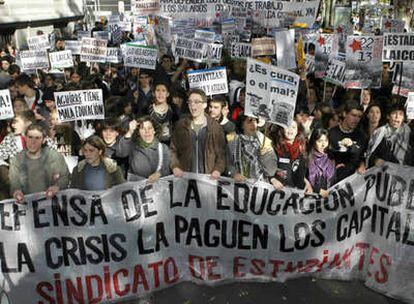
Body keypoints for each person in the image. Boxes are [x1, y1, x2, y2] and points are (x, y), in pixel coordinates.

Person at [170, 88, 226, 179]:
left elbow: (221, 154)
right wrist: (175, 167)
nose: (192, 105)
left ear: (204, 104)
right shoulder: (180, 125)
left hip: (208, 179)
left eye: (196, 102)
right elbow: (173, 150)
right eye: (190, 102)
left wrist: (217, 170)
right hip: (183, 178)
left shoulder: (215, 128)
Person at [9, 123, 70, 202]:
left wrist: (57, 187)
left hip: (52, 203)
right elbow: (14, 183)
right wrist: (16, 192)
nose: (33, 142)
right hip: (28, 206)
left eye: (37, 138)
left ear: (43, 140)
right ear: (25, 138)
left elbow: (65, 177)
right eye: (30, 137)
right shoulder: (16, 160)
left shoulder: (54, 156)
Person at [117, 116, 171, 182]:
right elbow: (121, 153)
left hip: (158, 189)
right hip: (136, 189)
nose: (147, 131)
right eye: (143, 128)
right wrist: (130, 131)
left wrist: (159, 173)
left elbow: (167, 168)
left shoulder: (163, 148)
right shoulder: (132, 146)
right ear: (138, 132)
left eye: (150, 128)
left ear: (154, 130)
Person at [229, 115, 277, 182]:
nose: (253, 124)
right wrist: (234, 174)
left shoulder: (264, 141)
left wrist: (265, 155)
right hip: (239, 185)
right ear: (242, 125)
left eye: (255, 121)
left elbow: (271, 171)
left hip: (259, 185)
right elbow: (228, 164)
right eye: (249, 121)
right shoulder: (233, 140)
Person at [329, 101, 368, 183]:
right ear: (344, 114)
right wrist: (332, 165)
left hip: (353, 180)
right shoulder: (331, 133)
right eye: (353, 115)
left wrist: (362, 165)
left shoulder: (362, 136)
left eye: (359, 116)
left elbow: (364, 157)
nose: (356, 119)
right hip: (333, 178)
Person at [366, 102, 413, 167]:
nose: (397, 117)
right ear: (388, 116)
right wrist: (376, 160)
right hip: (382, 171)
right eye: (394, 113)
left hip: (404, 172)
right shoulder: (379, 132)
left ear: (403, 118)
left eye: (400, 114)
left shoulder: (409, 133)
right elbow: (370, 155)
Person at [270, 121, 312, 192]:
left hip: (295, 193)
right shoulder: (275, 146)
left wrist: (307, 183)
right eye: (287, 126)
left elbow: (298, 171)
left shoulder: (301, 148)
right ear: (282, 129)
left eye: (293, 127)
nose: (290, 130)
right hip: (277, 192)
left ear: (297, 130)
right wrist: (272, 179)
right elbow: (267, 169)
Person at [307, 128, 336, 197]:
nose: (323, 145)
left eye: (326, 141)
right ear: (314, 142)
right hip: (310, 198)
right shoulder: (307, 157)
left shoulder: (331, 157)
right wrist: (318, 191)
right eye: (320, 141)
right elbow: (301, 179)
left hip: (328, 198)